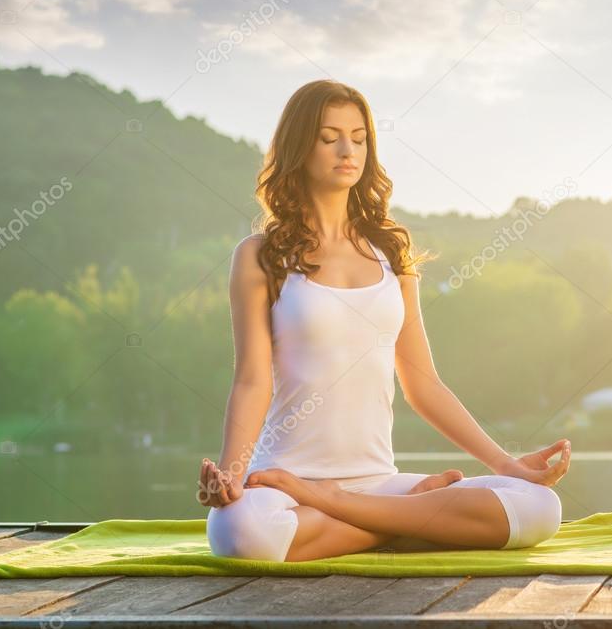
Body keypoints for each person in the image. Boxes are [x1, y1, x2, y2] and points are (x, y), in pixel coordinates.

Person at [197, 79, 572, 563]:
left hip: (377, 479)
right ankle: (401, 519)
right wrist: (231, 473)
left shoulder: (391, 253)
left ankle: (348, 509)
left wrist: (505, 464)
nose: (347, 150)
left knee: (539, 506)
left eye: (359, 137)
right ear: (298, 146)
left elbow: (422, 382)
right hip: (285, 483)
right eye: (329, 137)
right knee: (239, 533)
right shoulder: (260, 257)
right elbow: (251, 379)